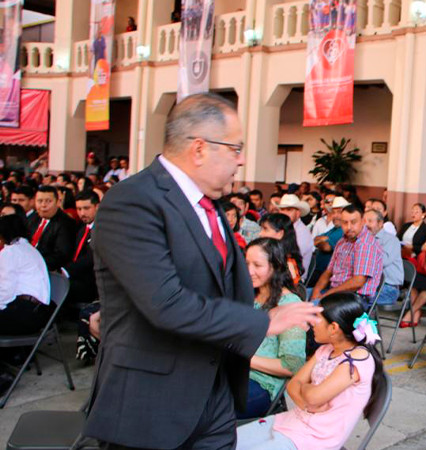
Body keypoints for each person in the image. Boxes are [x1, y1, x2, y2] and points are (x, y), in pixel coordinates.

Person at [83, 93, 322, 449]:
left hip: (215, 391)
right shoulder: (133, 200)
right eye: (235, 148)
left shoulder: (208, 206)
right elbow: (165, 302)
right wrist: (265, 321)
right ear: (200, 148)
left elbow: (217, 284)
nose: (241, 161)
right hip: (154, 399)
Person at [236, 293, 385, 450]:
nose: (312, 323)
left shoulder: (357, 358)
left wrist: (305, 389)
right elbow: (293, 385)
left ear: (333, 328)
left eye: (317, 318)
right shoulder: (327, 350)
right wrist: (306, 403)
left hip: (316, 438)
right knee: (227, 441)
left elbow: (312, 397)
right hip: (295, 422)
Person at [240, 238, 306, 419]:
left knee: (202, 409)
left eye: (257, 265)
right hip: (233, 371)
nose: (249, 271)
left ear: (275, 267)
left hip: (261, 383)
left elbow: (292, 365)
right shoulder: (247, 294)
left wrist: (242, 357)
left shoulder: (290, 305)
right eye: (246, 264)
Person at [310, 205, 383, 307]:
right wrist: (316, 291)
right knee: (297, 300)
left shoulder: (366, 244)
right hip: (335, 292)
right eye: (345, 223)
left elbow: (358, 282)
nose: (349, 227)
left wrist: (326, 295)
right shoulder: (342, 242)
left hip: (355, 297)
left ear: (363, 221)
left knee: (309, 311)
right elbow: (328, 272)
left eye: (353, 222)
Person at [0, 214, 51, 335]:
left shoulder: (10, 252)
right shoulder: (28, 248)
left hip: (24, 314)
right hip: (38, 313)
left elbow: (5, 293)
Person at [62, 191, 100, 305]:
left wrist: (66, 271)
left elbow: (92, 256)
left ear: (97, 206)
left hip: (92, 282)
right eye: (79, 209)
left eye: (86, 208)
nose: (82, 213)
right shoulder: (82, 228)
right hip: (76, 277)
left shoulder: (103, 229)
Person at [28, 185, 76, 271]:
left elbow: (61, 255)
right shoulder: (32, 218)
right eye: (40, 201)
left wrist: (33, 264)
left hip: (47, 270)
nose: (43, 205)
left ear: (58, 202)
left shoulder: (66, 223)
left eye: (48, 201)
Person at [365, 209, 403, 305]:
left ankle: (362, 320)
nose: (366, 225)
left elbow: (381, 262)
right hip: (369, 285)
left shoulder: (391, 240)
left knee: (357, 299)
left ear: (380, 223)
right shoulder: (364, 239)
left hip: (388, 289)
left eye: (370, 221)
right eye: (364, 221)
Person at [309, 196, 348, 286]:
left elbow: (327, 247)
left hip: (328, 276)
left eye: (339, 212)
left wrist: (323, 239)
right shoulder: (335, 228)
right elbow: (315, 239)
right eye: (333, 212)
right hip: (319, 272)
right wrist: (322, 239)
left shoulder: (343, 230)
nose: (335, 215)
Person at [259, 213, 305, 285]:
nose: (260, 234)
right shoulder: (264, 253)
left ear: (280, 233)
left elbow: (291, 289)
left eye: (265, 229)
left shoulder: (289, 263)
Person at [277, 194, 313, 273]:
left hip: (295, 278)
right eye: (282, 209)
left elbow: (290, 257)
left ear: (298, 213)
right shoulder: (283, 228)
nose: (285, 213)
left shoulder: (302, 233)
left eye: (289, 209)